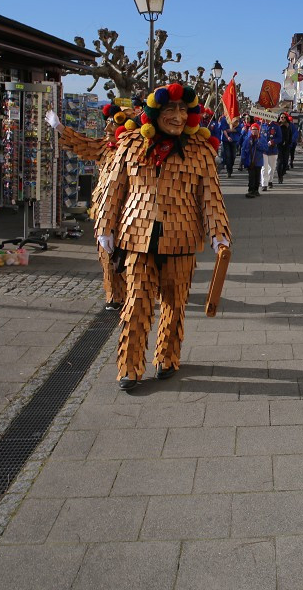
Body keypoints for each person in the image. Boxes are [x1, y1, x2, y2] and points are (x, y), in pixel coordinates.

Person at [95, 83, 231, 390]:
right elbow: (113, 188)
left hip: (181, 238)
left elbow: (211, 195)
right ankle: (129, 367)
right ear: (155, 113)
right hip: (136, 236)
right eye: (170, 109)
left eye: (183, 110)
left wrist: (218, 234)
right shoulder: (130, 144)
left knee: (174, 302)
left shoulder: (200, 151)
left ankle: (167, 357)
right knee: (136, 304)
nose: (178, 116)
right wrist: (106, 226)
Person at [45, 103, 129, 311]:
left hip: (127, 212)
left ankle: (131, 293)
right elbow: (82, 143)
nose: (108, 130)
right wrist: (60, 128)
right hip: (103, 211)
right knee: (106, 255)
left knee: (127, 256)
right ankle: (114, 296)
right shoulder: (104, 148)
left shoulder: (134, 152)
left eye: (113, 126)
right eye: (107, 125)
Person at [240, 122, 265, 198]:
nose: (254, 131)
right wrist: (243, 160)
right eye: (252, 129)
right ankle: (251, 190)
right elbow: (243, 149)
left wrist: (259, 145)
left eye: (255, 129)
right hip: (250, 161)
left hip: (258, 161)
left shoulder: (261, 139)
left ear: (258, 130)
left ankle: (256, 190)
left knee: (257, 177)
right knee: (251, 176)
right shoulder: (248, 139)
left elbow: (265, 148)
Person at [259, 117, 282, 190]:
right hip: (264, 150)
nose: (266, 119)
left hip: (273, 150)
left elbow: (279, 137)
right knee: (264, 167)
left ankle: (270, 180)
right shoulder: (261, 125)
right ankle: (264, 184)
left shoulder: (276, 126)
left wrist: (273, 141)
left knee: (272, 168)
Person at [276, 112, 298, 184]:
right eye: (281, 117)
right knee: (280, 161)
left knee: (285, 162)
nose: (283, 119)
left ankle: (282, 173)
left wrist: (290, 142)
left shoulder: (289, 125)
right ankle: (279, 176)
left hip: (287, 145)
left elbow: (292, 134)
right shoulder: (277, 125)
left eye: (284, 117)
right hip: (279, 145)